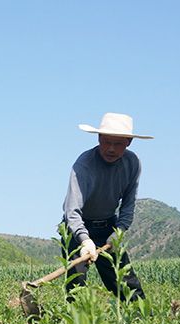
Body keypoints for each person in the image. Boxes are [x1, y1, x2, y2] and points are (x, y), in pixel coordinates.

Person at [61, 112, 152, 302]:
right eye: (106, 142)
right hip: (78, 228)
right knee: (75, 286)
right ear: (98, 138)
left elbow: (128, 206)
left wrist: (117, 233)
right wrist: (85, 240)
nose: (110, 149)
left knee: (127, 284)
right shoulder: (84, 164)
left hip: (108, 227)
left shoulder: (132, 163)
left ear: (128, 142)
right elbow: (72, 210)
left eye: (118, 144)